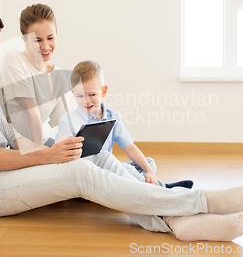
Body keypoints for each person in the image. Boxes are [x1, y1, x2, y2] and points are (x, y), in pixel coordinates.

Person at [0, 5, 243, 242]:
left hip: (4, 172)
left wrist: (49, 151)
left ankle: (177, 221)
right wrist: (45, 158)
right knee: (80, 174)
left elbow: (8, 136)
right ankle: (204, 202)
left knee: (93, 156)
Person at [56, 60, 193, 189]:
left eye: (92, 94)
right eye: (80, 96)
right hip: (88, 173)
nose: (86, 101)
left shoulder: (112, 117)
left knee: (148, 162)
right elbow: (59, 155)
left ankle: (148, 183)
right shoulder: (68, 121)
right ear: (73, 93)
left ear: (103, 91)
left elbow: (129, 147)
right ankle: (163, 188)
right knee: (107, 157)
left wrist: (149, 171)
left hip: (109, 169)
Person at [0, 4, 69, 146]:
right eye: (37, 40)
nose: (45, 46)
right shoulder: (14, 59)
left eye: (50, 38)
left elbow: (62, 123)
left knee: (96, 158)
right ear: (24, 40)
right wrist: (40, 155)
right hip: (11, 143)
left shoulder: (58, 76)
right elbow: (32, 110)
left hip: (39, 141)